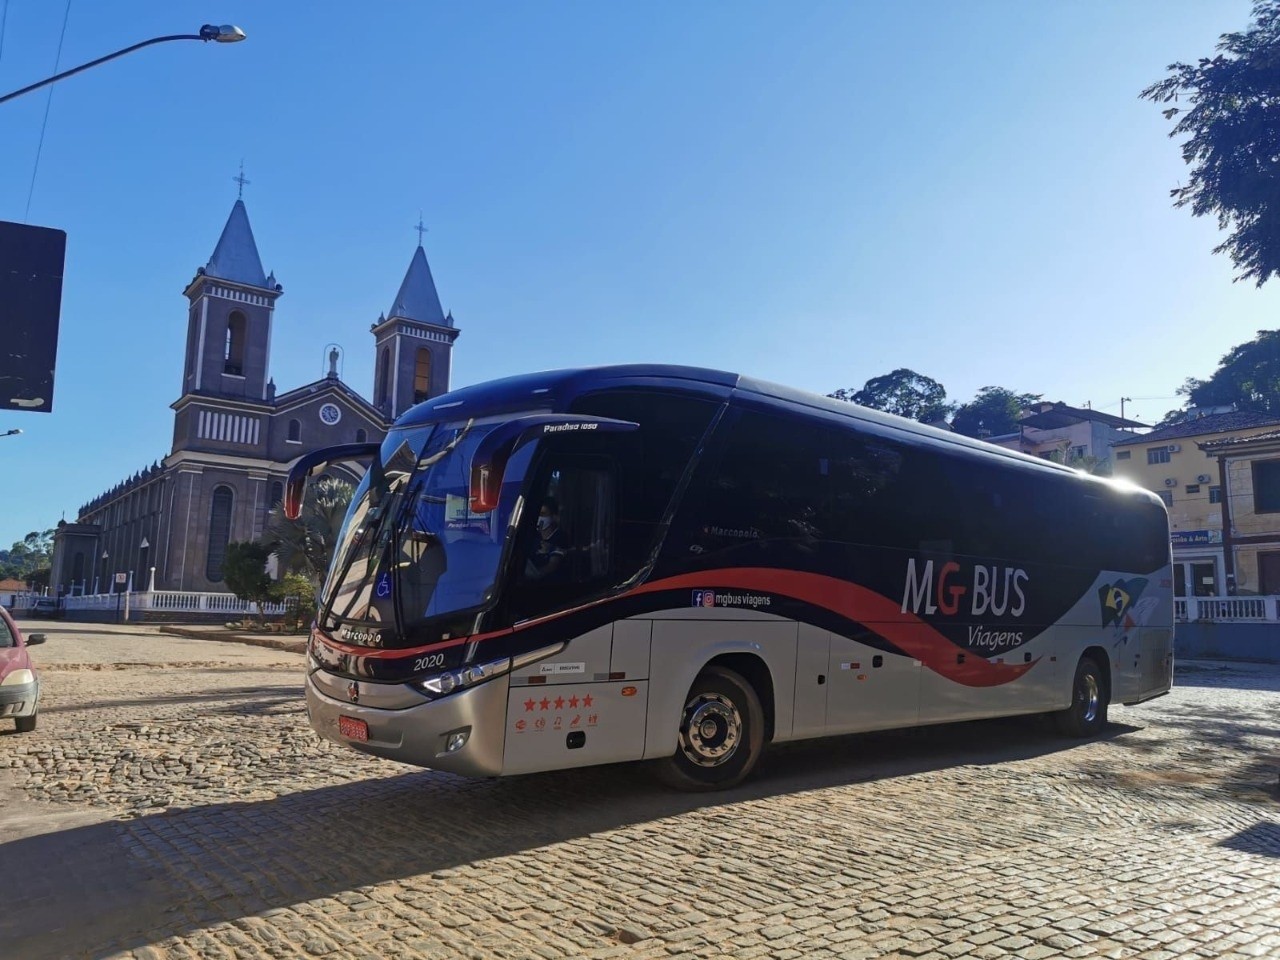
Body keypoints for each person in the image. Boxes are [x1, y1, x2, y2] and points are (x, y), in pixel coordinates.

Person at [525, 497, 568, 581]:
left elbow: (553, 565)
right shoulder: (533, 536)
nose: (539, 518)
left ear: (553, 517)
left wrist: (534, 576)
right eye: (538, 514)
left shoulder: (560, 537)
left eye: (543, 514)